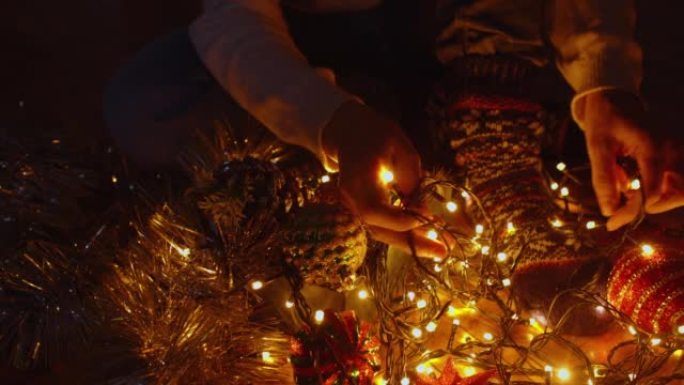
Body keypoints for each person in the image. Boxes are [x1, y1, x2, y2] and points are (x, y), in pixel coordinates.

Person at [105, 0, 684, 260]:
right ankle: (427, 136)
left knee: (563, 78)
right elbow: (234, 18)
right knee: (148, 106)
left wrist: (605, 84)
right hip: (308, 37)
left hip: (468, 35)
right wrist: (332, 120)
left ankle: (488, 143)